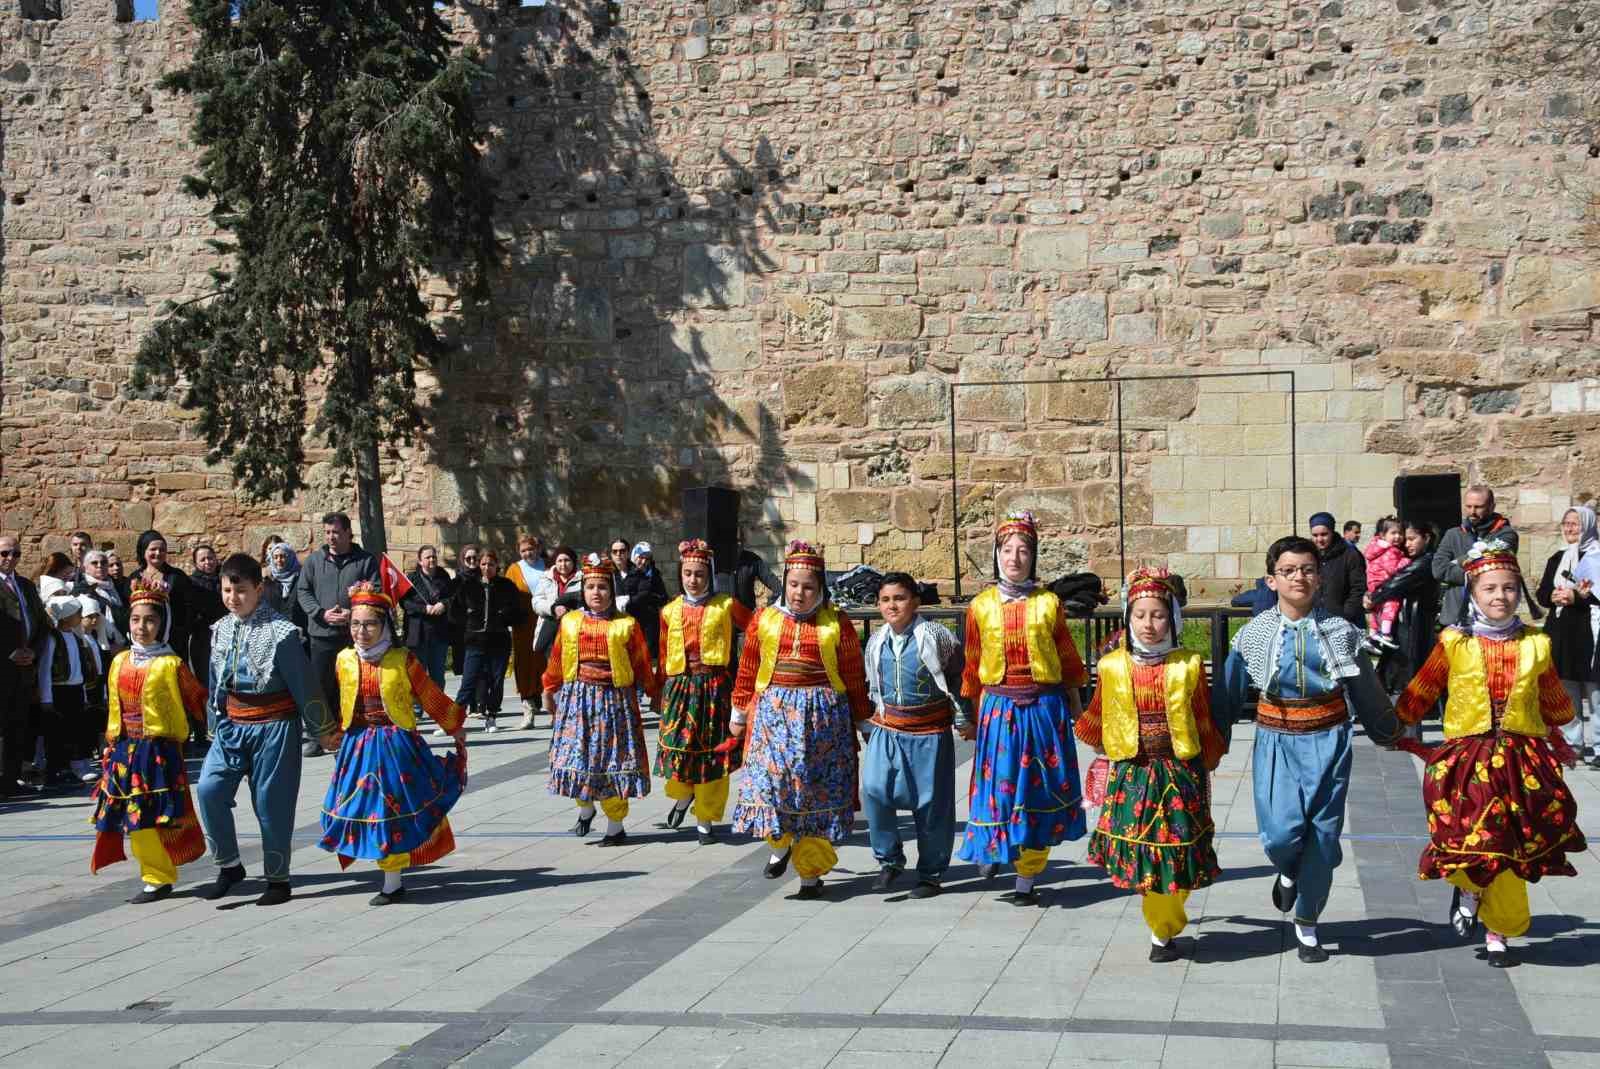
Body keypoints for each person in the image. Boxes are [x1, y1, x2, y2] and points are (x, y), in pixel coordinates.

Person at [1393, 539, 1586, 967]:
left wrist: (1560, 738)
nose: (1501, 597)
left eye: (1509, 588)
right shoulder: (1455, 642)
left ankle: (1497, 931)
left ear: (1520, 592)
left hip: (1522, 760)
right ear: (1473, 594)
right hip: (1468, 758)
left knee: (1511, 845)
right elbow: (1423, 688)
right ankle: (1468, 888)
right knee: (1464, 836)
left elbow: (1551, 698)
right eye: (1490, 589)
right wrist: (1393, 724)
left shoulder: (1537, 644)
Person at [1220, 535, 1402, 963]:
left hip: (1329, 741)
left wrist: (1391, 732)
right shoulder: (1254, 634)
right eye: (1288, 571)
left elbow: (1366, 690)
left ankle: (1307, 923)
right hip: (1276, 742)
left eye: (1306, 569)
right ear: (1272, 579)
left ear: (1319, 578)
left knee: (1322, 839)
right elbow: (1226, 694)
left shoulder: (1342, 633)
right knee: (1281, 834)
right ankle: (1286, 870)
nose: (1298, 577)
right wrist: (1211, 741)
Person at [1076, 568, 1226, 961]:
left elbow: (1203, 716)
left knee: (1179, 852)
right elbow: (1099, 711)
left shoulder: (1188, 664)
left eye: (1158, 614)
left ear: (1173, 618)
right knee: (1144, 853)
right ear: (1128, 617)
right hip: (1133, 772)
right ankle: (1160, 924)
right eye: (1139, 614)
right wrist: (1097, 745)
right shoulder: (1112, 666)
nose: (1148, 623)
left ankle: (1164, 926)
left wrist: (1209, 757)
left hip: (1178, 772)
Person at [957, 510, 1089, 905]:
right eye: (1007, 550)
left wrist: (1078, 712)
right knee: (998, 787)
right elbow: (972, 664)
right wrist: (972, 716)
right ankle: (993, 847)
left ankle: (1027, 878)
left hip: (1044, 708)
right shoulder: (980, 606)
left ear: (1033, 557)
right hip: (999, 708)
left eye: (1023, 551)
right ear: (996, 554)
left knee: (1037, 793)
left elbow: (1067, 662)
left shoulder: (1049, 604)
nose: (1015, 558)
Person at [729, 541, 871, 899]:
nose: (800, 593)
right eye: (794, 584)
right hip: (773, 719)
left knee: (815, 796)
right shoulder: (765, 619)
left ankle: (811, 875)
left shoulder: (836, 622)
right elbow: (747, 669)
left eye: (808, 586)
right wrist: (739, 712)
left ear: (819, 588)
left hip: (823, 723)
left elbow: (853, 673)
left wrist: (862, 718)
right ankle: (779, 847)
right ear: (785, 584)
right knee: (768, 787)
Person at [196, 553, 337, 906]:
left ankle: (278, 878)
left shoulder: (282, 633)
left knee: (271, 804)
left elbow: (305, 685)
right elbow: (216, 681)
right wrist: (214, 724)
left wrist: (324, 731)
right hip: (232, 726)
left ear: (259, 590)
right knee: (209, 789)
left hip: (275, 726)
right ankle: (229, 866)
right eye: (227, 590)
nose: (233, 598)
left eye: (241, 590)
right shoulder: (220, 629)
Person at [318, 581, 468, 905]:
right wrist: (330, 731)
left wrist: (453, 724)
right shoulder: (344, 660)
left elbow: (429, 694)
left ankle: (392, 881)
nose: (362, 631)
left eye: (370, 623)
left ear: (385, 624)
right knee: (357, 808)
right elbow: (336, 699)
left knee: (390, 810)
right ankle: (390, 876)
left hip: (394, 745)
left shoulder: (402, 659)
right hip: (357, 745)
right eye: (356, 624)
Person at [89, 578, 209, 902]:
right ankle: (155, 875)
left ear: (162, 623)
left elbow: (200, 701)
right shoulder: (118, 661)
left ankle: (162, 873)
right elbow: (112, 706)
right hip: (124, 750)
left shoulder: (171, 664)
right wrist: (110, 745)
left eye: (151, 620)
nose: (142, 627)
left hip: (158, 750)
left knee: (156, 816)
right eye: (136, 619)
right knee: (132, 818)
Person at [860, 571, 967, 898]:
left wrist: (964, 715)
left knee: (931, 804)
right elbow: (871, 685)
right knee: (873, 791)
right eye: (886, 600)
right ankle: (890, 859)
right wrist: (867, 722)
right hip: (888, 727)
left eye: (900, 598)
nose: (892, 606)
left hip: (929, 731)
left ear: (915, 601)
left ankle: (931, 874)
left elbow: (959, 676)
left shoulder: (937, 635)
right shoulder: (876, 640)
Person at [542, 552, 657, 846]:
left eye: (603, 587)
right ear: (583, 591)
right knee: (578, 758)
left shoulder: (626, 624)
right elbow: (557, 658)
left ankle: (615, 826)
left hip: (615, 702)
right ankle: (585, 808)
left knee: (613, 762)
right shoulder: (570, 622)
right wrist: (548, 689)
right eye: (591, 587)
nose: (597, 592)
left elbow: (642, 662)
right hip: (577, 700)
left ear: (612, 591)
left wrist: (655, 693)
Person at [655, 539, 753, 844]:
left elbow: (757, 629)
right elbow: (662, 651)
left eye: (699, 574)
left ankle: (705, 820)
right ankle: (683, 797)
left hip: (714, 688)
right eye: (687, 573)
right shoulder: (670, 610)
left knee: (712, 757)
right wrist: (658, 690)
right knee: (679, 751)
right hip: (680, 689)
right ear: (680, 574)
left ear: (708, 574)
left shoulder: (725, 604)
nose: (693, 580)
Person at [295, 512, 378, 757]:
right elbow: (303, 591)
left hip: (353, 636)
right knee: (320, 688)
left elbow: (377, 589)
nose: (331, 537)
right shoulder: (313, 561)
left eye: (336, 533)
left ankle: (349, 735)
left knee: (351, 685)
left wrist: (355, 610)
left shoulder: (365, 561)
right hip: (321, 635)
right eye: (328, 532)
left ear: (348, 534)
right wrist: (321, 613)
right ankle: (317, 736)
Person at [1535, 507, 1600, 766]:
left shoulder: (1597, 557)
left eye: (1576, 524)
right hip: (1562, 633)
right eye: (1567, 524)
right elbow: (1541, 593)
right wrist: (1551, 597)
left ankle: (1597, 746)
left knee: (1595, 691)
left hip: (1591, 633)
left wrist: (1577, 598)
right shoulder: (1558, 558)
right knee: (1567, 688)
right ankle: (1571, 743)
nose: (1570, 529)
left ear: (1588, 525)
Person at [451, 548, 524, 732]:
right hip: (475, 641)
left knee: (496, 680)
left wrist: (503, 615)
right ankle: (452, 721)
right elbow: (455, 611)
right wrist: (467, 620)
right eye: (483, 564)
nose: (486, 568)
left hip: (498, 640)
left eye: (490, 564)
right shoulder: (468, 586)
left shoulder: (506, 586)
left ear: (496, 565)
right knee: (468, 681)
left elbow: (517, 612)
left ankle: (491, 716)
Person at [1366, 521, 1442, 695]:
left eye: (1412, 539)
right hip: (1403, 627)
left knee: (1406, 685)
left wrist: (1373, 597)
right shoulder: (1409, 559)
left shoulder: (1424, 561)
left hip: (1413, 628)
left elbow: (1396, 583)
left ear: (1426, 538)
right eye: (1405, 540)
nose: (1406, 544)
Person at [38, 596, 104, 786]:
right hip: (59, 692)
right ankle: (55, 771)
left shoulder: (75, 637)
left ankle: (75, 766)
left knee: (76, 731)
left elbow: (79, 669)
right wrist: (46, 698)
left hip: (75, 691)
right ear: (66, 617)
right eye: (77, 614)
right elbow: (45, 669)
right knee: (58, 734)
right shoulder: (53, 639)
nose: (80, 616)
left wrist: (82, 693)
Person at [1433, 485, 1520, 627]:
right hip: (1456, 618)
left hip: (1491, 620)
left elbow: (1492, 568)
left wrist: (1457, 562)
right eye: (1468, 506)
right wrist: (1472, 573)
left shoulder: (1506, 534)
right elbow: (1438, 569)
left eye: (1478, 507)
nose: (1472, 512)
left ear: (1492, 507)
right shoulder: (1452, 534)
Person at [0, 535, 46, 799]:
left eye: (15, 554)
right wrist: (9, 652)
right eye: (5, 553)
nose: (10, 559)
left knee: (18, 723)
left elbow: (40, 623)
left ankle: (11, 778)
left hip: (25, 667)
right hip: (3, 666)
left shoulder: (26, 586)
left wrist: (32, 651)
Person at [525, 546, 582, 730]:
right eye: (559, 561)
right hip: (551, 631)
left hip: (575, 633)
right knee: (554, 673)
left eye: (567, 560)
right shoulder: (546, 578)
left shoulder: (582, 578)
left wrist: (571, 610)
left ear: (573, 562)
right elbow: (536, 601)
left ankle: (572, 711)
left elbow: (587, 601)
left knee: (573, 673)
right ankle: (555, 713)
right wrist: (553, 608)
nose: (563, 564)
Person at [401, 545, 456, 694]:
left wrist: (443, 605)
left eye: (434, 557)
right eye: (428, 557)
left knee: (437, 675)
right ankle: (417, 709)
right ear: (420, 561)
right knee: (417, 674)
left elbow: (453, 598)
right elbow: (404, 603)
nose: (432, 559)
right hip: (418, 634)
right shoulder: (411, 579)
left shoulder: (444, 576)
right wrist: (423, 609)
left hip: (439, 634)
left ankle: (438, 707)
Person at [132, 530, 194, 661]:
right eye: (153, 549)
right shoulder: (134, 578)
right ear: (144, 551)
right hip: (142, 642)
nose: (158, 553)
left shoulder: (177, 577)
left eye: (162, 550)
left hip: (172, 641)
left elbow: (189, 606)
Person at [503, 535, 548, 715]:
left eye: (530, 549)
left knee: (543, 658)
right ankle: (527, 696)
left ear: (537, 548)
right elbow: (507, 596)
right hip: (523, 623)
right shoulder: (514, 570)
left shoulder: (548, 566)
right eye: (523, 551)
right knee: (524, 659)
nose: (527, 553)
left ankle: (543, 693)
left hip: (545, 619)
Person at [187, 545, 227, 742]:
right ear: (195, 563)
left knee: (225, 681)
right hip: (203, 639)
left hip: (225, 636)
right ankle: (204, 730)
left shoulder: (224, 580)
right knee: (206, 683)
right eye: (202, 559)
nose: (207, 562)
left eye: (210, 558)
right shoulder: (192, 584)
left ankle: (226, 725)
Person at [1309, 512, 1366, 629]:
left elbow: (1358, 587)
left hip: (1344, 622)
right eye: (1315, 535)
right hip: (1313, 620)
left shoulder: (1349, 554)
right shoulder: (1309, 555)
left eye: (1324, 534)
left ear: (1332, 532)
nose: (1319, 539)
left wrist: (1346, 615)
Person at [618, 542, 670, 662]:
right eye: (641, 558)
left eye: (647, 559)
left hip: (649, 621)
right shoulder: (626, 573)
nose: (644, 562)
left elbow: (663, 597)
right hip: (630, 618)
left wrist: (648, 597)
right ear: (634, 556)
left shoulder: (654, 575)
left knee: (648, 655)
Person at [1362, 517, 1407, 652]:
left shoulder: (1375, 547)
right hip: (1382, 582)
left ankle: (1373, 634)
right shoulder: (1391, 551)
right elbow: (1393, 570)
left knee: (1375, 610)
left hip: (1372, 583)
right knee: (1392, 603)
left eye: (1400, 533)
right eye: (1393, 533)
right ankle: (1385, 633)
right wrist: (1405, 561)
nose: (1398, 537)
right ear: (1383, 535)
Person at [74, 550, 128, 651]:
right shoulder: (81, 590)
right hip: (99, 647)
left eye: (103, 562)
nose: (100, 566)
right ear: (85, 568)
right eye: (94, 563)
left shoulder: (117, 585)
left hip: (123, 643)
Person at [263, 542, 307, 636]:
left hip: (297, 632)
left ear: (290, 557)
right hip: (273, 634)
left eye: (282, 556)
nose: (279, 560)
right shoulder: (267, 581)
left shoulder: (300, 578)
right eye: (275, 557)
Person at [449, 544, 479, 677]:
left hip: (482, 633)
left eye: (475, 558)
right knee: (465, 674)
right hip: (463, 632)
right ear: (463, 560)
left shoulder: (485, 577)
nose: (472, 561)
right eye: (468, 559)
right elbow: (452, 607)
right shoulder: (457, 581)